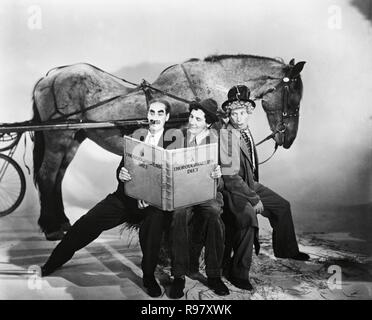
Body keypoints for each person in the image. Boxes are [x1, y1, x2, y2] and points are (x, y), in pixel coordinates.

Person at [40, 99, 175, 298]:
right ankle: (52, 263)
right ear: (148, 115)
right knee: (87, 223)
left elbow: (172, 180)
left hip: (152, 203)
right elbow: (121, 169)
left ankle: (148, 277)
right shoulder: (137, 136)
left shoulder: (173, 141)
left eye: (160, 113)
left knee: (153, 226)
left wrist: (152, 196)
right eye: (152, 112)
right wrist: (122, 174)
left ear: (167, 117)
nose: (155, 117)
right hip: (125, 198)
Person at [220, 85, 309, 291]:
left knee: (282, 206)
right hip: (234, 189)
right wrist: (253, 198)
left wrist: (254, 191)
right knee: (248, 218)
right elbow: (231, 177)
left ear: (249, 113)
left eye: (243, 113)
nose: (239, 117)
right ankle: (238, 273)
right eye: (234, 113)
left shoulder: (245, 131)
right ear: (229, 114)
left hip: (250, 184)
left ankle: (286, 250)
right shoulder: (227, 136)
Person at [169, 98, 229, 299]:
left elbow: (223, 184)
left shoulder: (218, 141)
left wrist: (217, 177)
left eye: (198, 119)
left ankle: (214, 275)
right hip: (184, 193)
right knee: (178, 215)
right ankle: (178, 275)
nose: (192, 122)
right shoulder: (179, 138)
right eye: (191, 117)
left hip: (208, 193)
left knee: (213, 213)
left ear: (208, 123)